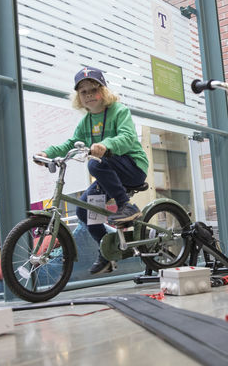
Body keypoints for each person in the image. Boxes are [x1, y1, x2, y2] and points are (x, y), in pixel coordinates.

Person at [36, 66, 149, 275]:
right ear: (78, 97)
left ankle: (126, 206)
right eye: (83, 92)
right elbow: (70, 144)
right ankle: (106, 253)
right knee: (84, 209)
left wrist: (106, 145)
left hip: (132, 167)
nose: (89, 95)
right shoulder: (85, 122)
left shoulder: (119, 111)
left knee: (94, 164)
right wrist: (47, 153)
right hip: (110, 174)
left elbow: (127, 138)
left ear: (103, 91)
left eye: (93, 89)